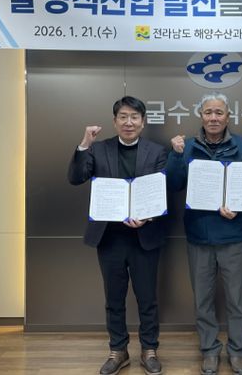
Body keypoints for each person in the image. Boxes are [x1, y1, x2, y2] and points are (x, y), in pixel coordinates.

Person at [67, 96, 167, 375]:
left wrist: (147, 216)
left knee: (147, 298)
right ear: (114, 121)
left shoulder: (157, 151)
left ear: (143, 122)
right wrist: (85, 143)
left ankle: (149, 349)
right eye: (123, 117)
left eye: (134, 117)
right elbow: (75, 177)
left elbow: (160, 190)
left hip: (145, 236)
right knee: (114, 298)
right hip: (110, 237)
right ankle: (118, 350)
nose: (128, 122)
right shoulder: (99, 149)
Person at [166, 93, 242, 375]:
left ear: (228, 116)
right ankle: (210, 350)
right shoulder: (186, 146)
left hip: (232, 235)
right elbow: (174, 184)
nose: (213, 118)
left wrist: (238, 207)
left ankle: (237, 351)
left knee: (237, 300)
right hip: (198, 236)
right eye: (208, 112)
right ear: (200, 115)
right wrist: (176, 155)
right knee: (203, 299)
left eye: (219, 112)